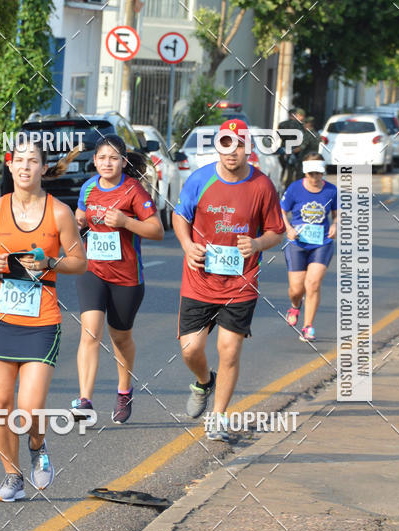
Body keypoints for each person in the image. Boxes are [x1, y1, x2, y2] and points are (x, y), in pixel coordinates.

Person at [0, 133, 87, 501]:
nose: (25, 166)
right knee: (0, 405)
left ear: (43, 168)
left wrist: (51, 262)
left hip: (41, 321)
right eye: (19, 159)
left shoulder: (59, 212)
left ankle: (38, 445)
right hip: (0, 317)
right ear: (10, 165)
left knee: (29, 408)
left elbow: (79, 261)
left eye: (32, 160)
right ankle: (12, 477)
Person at [173, 118, 285, 441]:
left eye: (238, 144)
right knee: (191, 349)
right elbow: (180, 216)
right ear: (217, 147)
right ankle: (204, 382)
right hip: (199, 280)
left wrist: (258, 244)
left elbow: (276, 231)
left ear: (248, 148)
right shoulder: (199, 179)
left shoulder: (262, 186)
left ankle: (218, 418)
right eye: (225, 143)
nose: (232, 151)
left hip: (241, 282)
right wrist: (186, 245)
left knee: (229, 350)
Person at [72, 135, 164, 424]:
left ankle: (124, 391)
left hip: (126, 276)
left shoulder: (134, 191)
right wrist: (79, 220)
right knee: (90, 332)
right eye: (101, 158)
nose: (106, 163)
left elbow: (157, 230)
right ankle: (85, 400)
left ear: (124, 162)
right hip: (93, 270)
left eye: (113, 158)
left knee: (120, 337)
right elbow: (80, 214)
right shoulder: (88, 187)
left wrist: (125, 222)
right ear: (94, 161)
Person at [280, 153, 338, 342]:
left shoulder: (331, 190)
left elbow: (338, 213)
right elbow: (281, 211)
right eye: (311, 174)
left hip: (322, 243)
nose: (315, 178)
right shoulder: (295, 188)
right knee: (296, 289)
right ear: (306, 172)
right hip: (297, 243)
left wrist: (335, 224)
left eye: (318, 174)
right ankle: (295, 305)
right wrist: (288, 228)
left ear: (323, 172)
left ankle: (307, 326)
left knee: (312, 284)